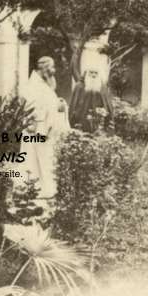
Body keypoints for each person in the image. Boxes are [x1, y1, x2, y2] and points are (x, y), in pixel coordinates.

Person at [20, 56, 69, 197]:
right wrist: (55, 106)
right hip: (38, 128)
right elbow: (33, 108)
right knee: (36, 159)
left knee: (46, 157)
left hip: (46, 127)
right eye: (51, 67)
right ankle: (36, 188)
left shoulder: (44, 84)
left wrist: (59, 104)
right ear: (44, 69)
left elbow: (48, 103)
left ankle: (43, 188)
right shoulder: (33, 85)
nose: (53, 70)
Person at [68, 68, 113, 132]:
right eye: (91, 72)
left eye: (96, 73)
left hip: (98, 120)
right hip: (82, 120)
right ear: (86, 73)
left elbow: (107, 105)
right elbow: (73, 105)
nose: (93, 75)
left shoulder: (102, 87)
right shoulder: (79, 86)